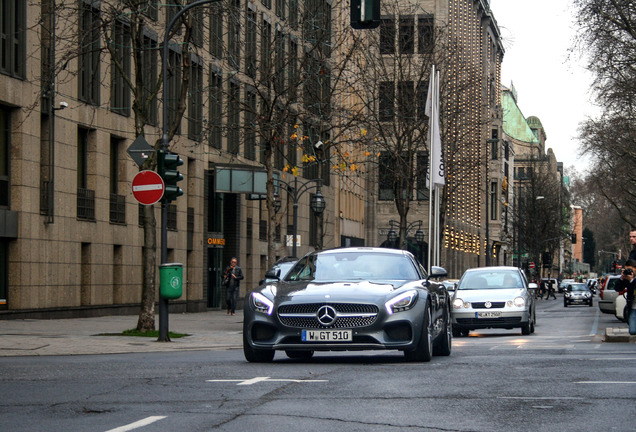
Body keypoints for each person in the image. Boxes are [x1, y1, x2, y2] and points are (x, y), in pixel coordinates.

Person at [614, 259, 636, 335]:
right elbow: (617, 288)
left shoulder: (632, 279)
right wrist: (621, 278)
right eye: (627, 269)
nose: (629, 271)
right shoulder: (627, 278)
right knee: (632, 330)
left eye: (630, 269)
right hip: (633, 307)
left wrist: (632, 280)